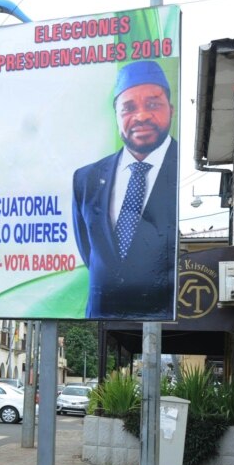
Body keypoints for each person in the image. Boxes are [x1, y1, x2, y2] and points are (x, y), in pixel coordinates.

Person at [72, 60, 178, 319]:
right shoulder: (86, 179)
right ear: (117, 115)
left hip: (160, 319)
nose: (141, 116)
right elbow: (92, 252)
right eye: (128, 108)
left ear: (171, 110)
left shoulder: (182, 167)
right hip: (101, 316)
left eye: (153, 104)